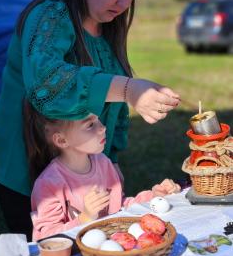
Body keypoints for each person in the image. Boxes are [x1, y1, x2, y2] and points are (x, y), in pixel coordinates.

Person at [0, 0, 180, 241]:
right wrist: (129, 89)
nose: (124, 4)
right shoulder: (49, 15)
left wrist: (110, 162)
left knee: (92, 243)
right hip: (26, 163)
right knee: (48, 249)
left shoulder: (108, 31)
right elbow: (46, 84)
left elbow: (112, 111)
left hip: (84, 169)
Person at [24, 101, 181, 241]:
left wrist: (153, 197)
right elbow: (46, 238)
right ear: (62, 140)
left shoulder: (103, 163)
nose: (102, 128)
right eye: (90, 125)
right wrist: (85, 217)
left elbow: (119, 207)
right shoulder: (49, 184)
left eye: (98, 120)